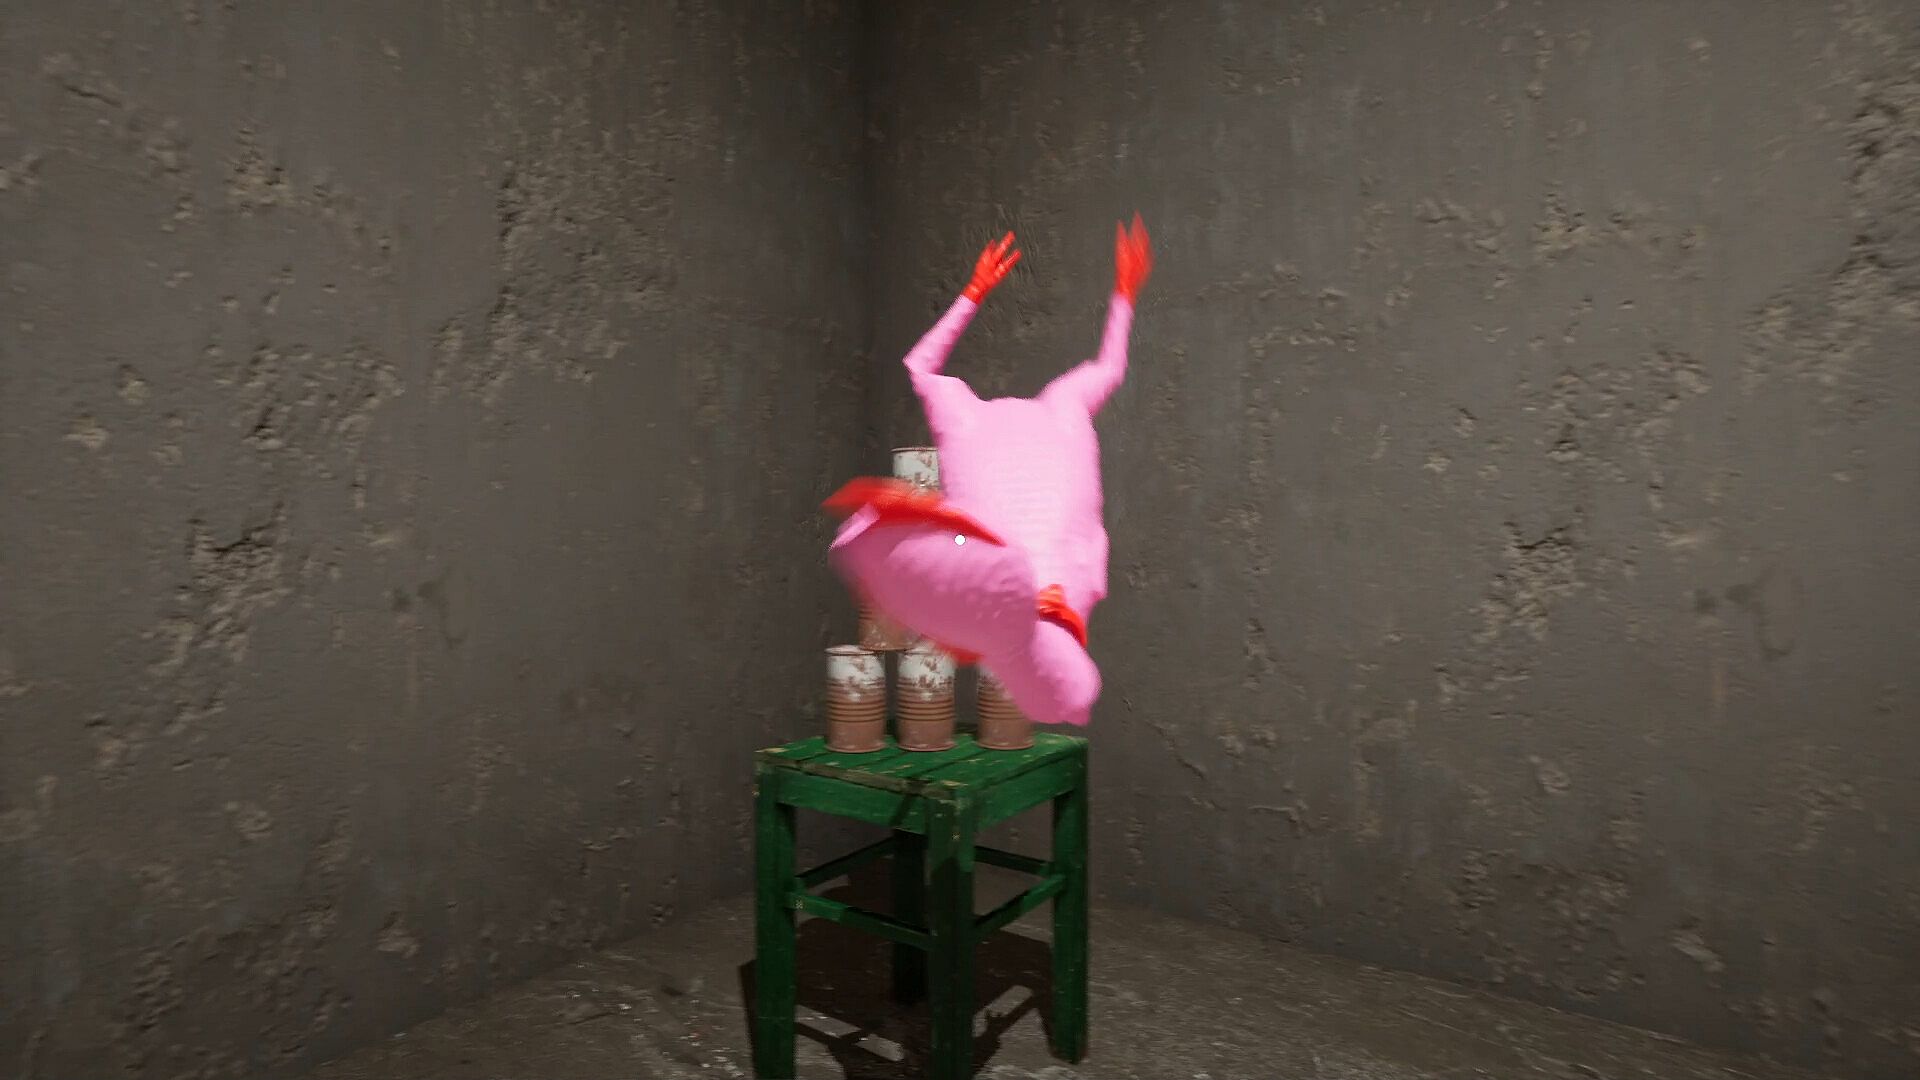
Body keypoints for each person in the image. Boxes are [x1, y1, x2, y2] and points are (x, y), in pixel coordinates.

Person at [823, 217, 1152, 728]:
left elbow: (921, 366)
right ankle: (991, 609)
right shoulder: (1011, 413)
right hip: (1029, 582)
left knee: (1041, 635)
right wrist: (1123, 296)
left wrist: (974, 294)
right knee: (1032, 623)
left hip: (1039, 586)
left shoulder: (991, 414)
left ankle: (990, 610)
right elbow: (1108, 367)